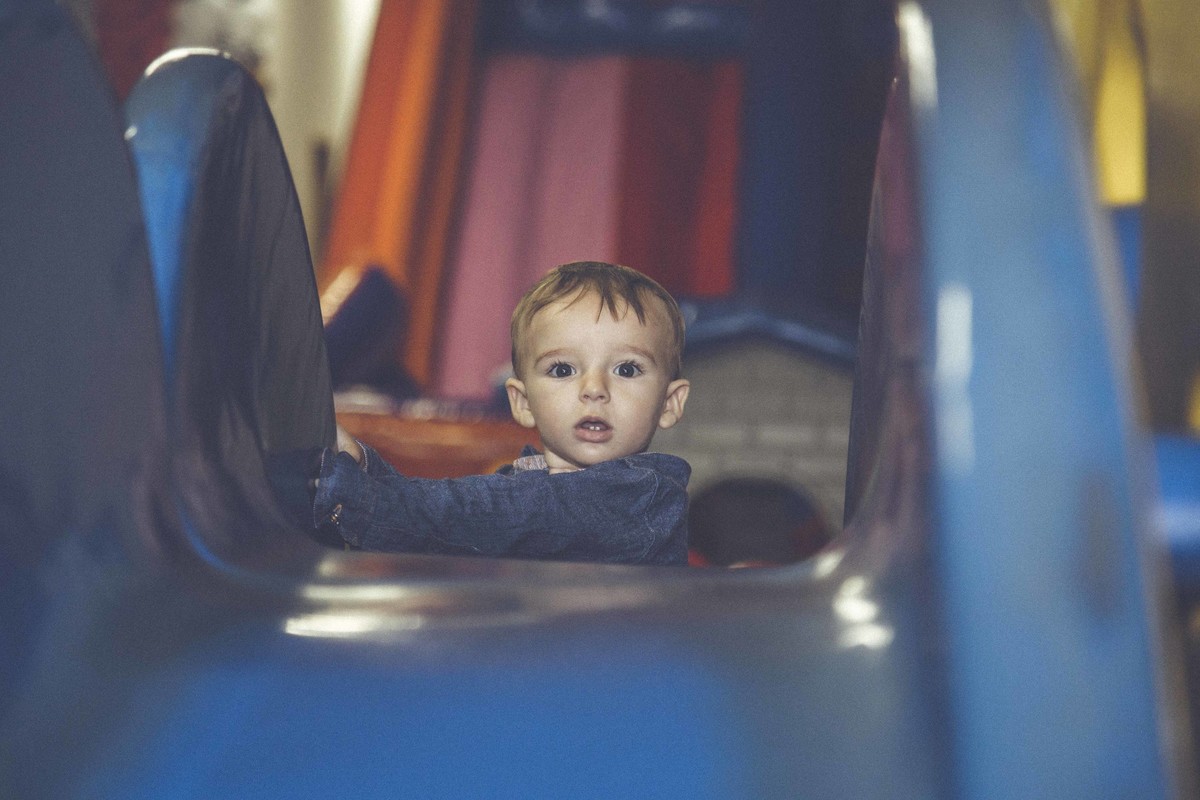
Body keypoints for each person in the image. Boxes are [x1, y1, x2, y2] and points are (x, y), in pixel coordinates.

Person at [312, 261, 692, 565]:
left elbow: (489, 514)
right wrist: (366, 468)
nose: (594, 389)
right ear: (523, 403)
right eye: (563, 369)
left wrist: (361, 497)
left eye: (626, 369)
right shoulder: (529, 482)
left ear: (669, 403)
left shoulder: (640, 498)